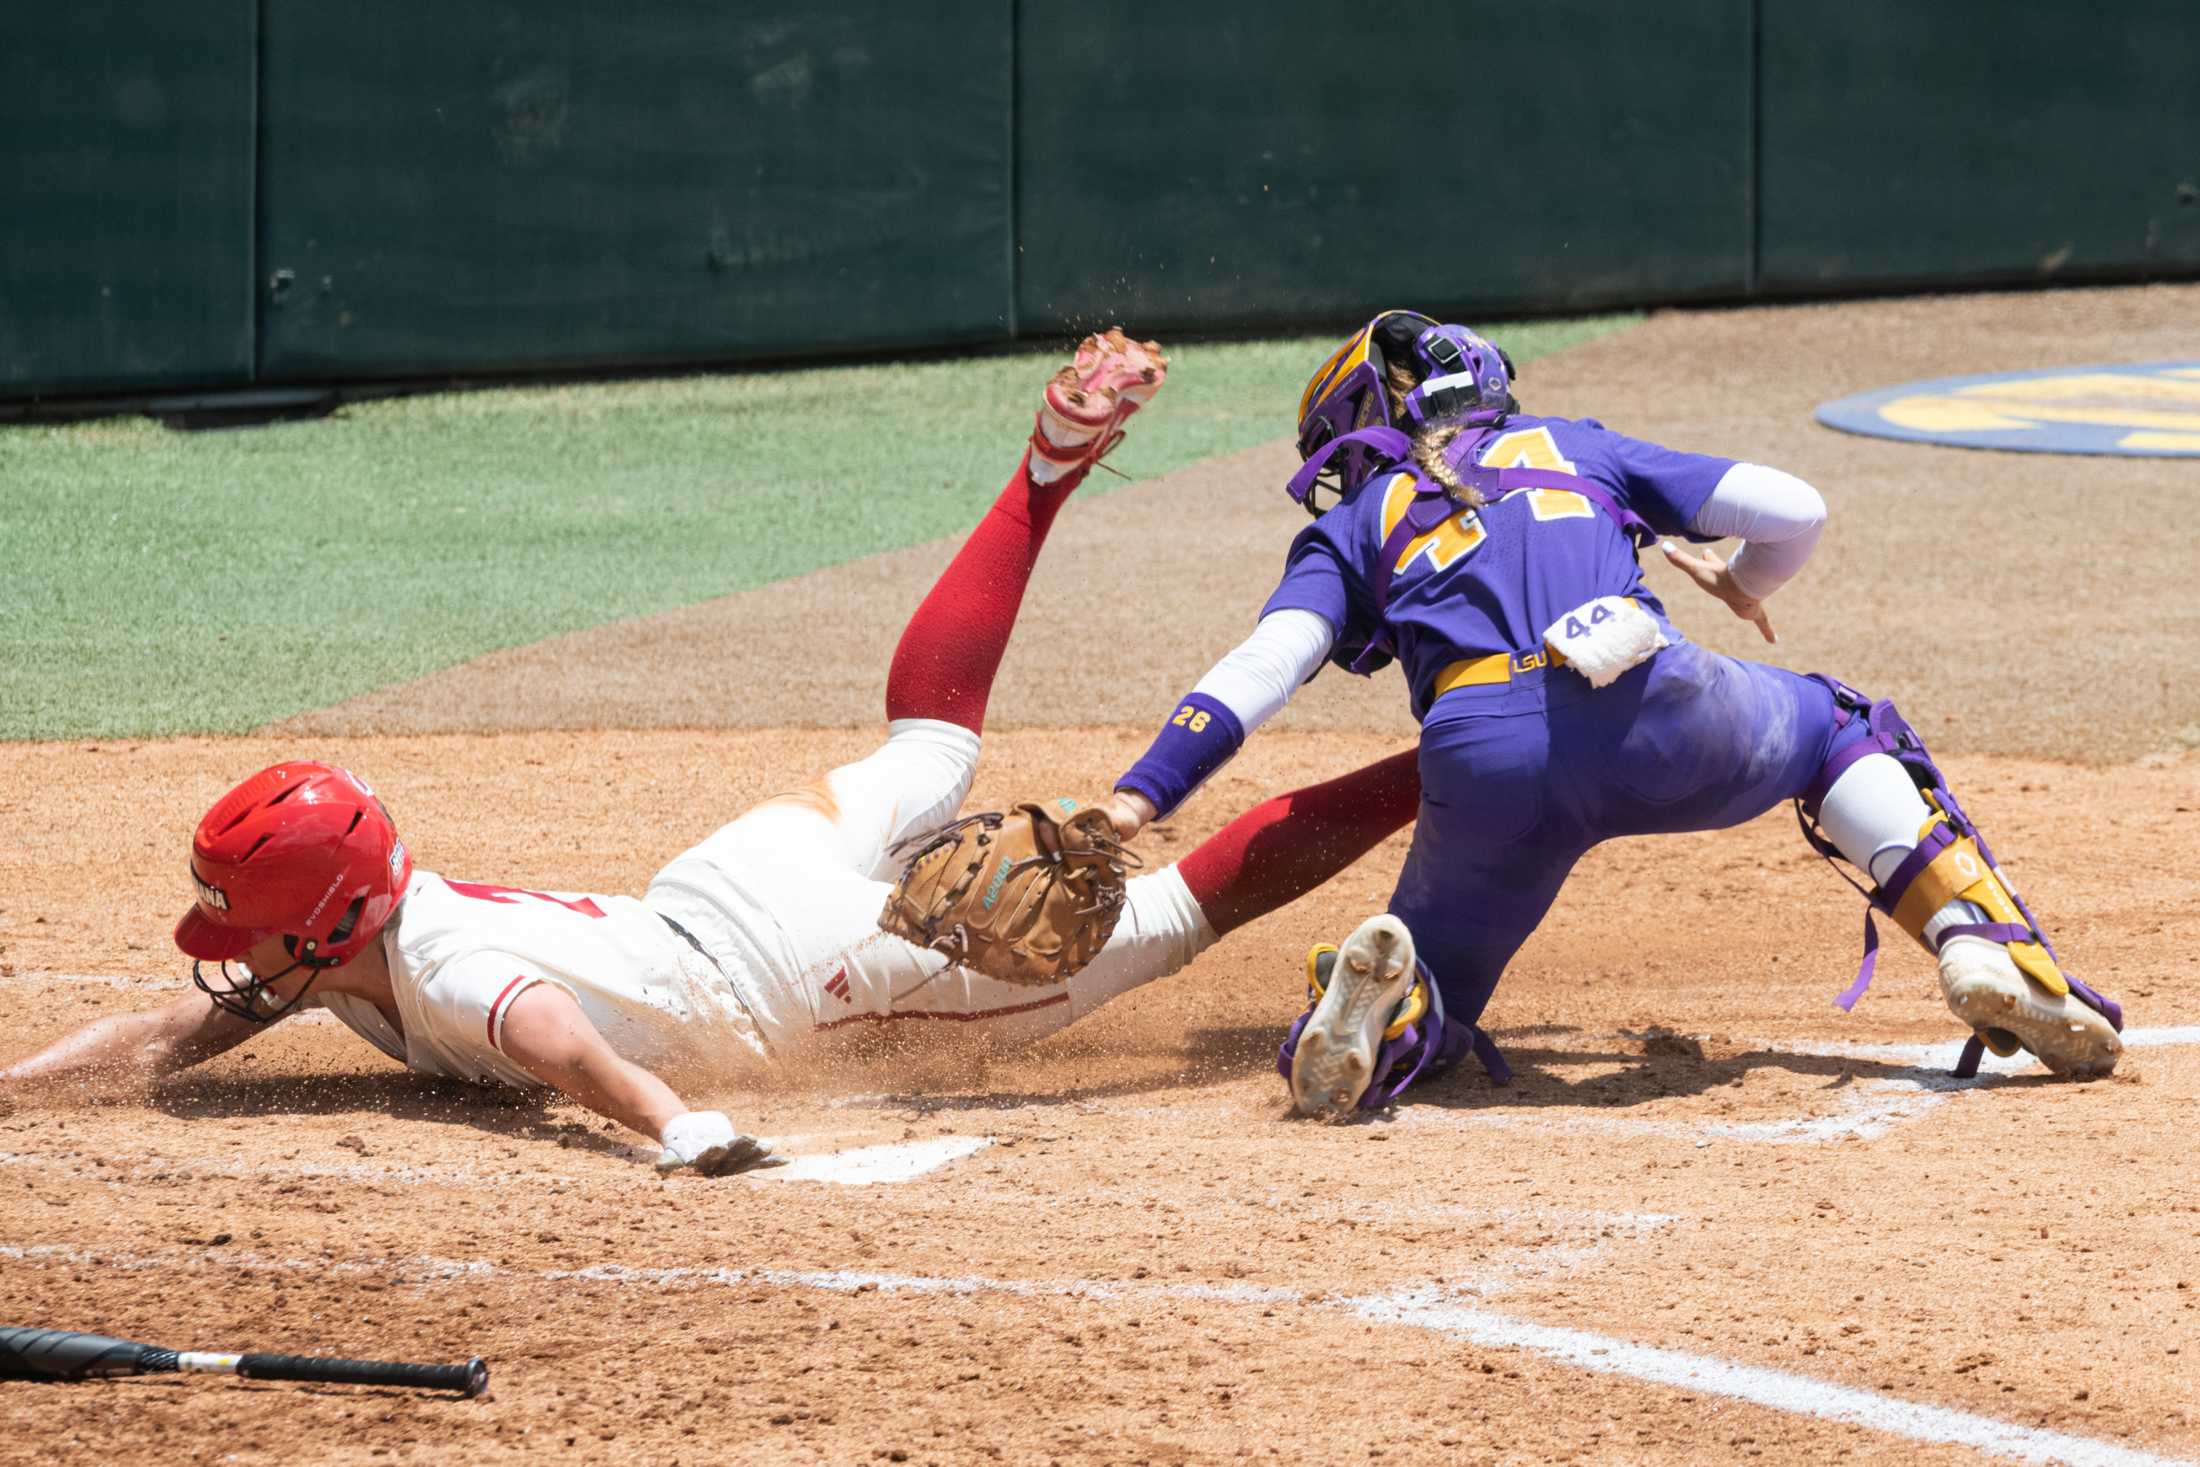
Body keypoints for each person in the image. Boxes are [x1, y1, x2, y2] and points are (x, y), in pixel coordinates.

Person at [0, 332, 1429, 1170]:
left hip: (799, 976)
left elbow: (549, 1039)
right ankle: (1043, 470)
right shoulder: (365, 933)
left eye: (247, 922)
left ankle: (1455, 753)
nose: (231, 951)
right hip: (740, 872)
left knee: (1169, 912)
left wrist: (677, 1122)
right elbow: (166, 1029)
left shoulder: (431, 966)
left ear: (318, 922)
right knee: (927, 742)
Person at [1096, 311, 2125, 1117]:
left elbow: (1260, 667)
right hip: (1650, 701)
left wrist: (1143, 797)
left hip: (1482, 755)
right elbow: (1795, 507)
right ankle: (1973, 938)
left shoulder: (1359, 524)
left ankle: (1388, 1019)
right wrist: (1733, 580)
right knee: (1828, 726)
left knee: (1439, 984)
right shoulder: (1568, 447)